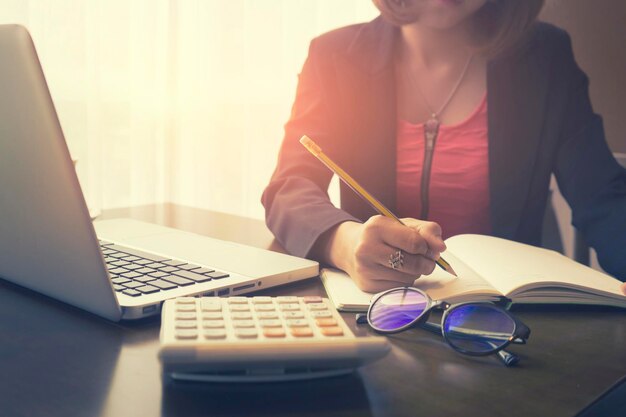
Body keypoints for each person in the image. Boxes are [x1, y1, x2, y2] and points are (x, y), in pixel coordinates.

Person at [262, 0, 626, 294]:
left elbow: (602, 196)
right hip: (376, 312)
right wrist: (344, 242)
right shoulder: (335, 55)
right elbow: (288, 189)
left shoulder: (545, 56)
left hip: (508, 323)